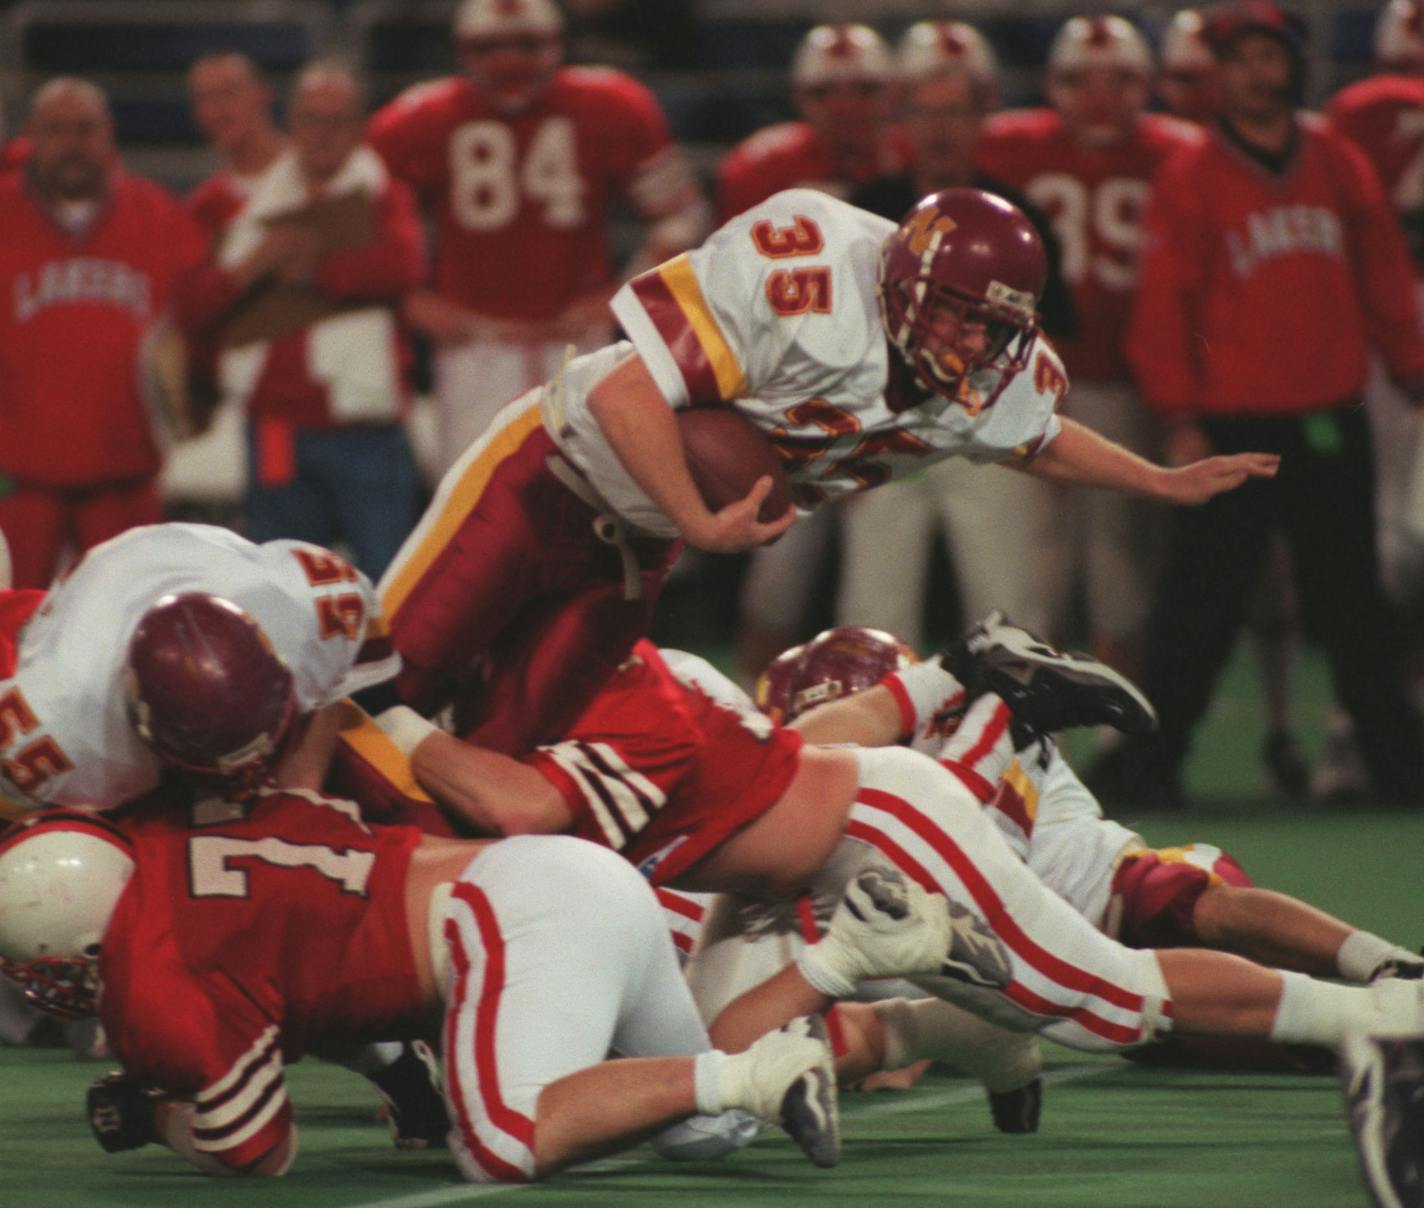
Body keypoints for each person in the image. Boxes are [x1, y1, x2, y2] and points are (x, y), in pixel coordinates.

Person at [378, 185, 1278, 758]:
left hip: (636, 546)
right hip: (547, 478)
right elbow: (623, 391)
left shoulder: (1002, 373)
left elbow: (1037, 439)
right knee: (392, 681)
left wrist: (1158, 481)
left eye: (992, 330)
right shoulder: (805, 267)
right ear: (904, 280)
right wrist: (699, 521)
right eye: (958, 317)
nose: (972, 347)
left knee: (508, 755)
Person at [0, 798, 843, 1181]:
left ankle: (753, 1074)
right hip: (571, 878)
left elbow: (257, 1148)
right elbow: (307, 989)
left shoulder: (160, 968)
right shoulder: (169, 830)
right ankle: (851, 963)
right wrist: (407, 1083)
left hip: (508, 915)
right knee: (701, 1141)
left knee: (501, 1142)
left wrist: (148, 1114)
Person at [1102, 2, 1424, 809]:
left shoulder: (1336, 159)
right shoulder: (1192, 175)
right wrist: (1178, 416)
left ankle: (1395, 764)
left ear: (1289, 63)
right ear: (1219, 71)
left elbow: (1383, 273)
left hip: (1327, 416)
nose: (1257, 72)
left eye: (1268, 55)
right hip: (1232, 425)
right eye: (1240, 58)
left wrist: (1413, 364)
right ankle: (1150, 762)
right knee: (1197, 612)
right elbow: (1163, 308)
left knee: (1355, 606)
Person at [368, 0, 709, 476]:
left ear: (559, 45)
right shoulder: (417, 119)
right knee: (475, 496)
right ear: (461, 52)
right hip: (475, 342)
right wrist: (411, 301)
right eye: (490, 48)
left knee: (600, 495)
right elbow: (360, 236)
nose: (509, 62)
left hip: (577, 339)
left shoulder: (612, 104)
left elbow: (682, 218)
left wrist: (619, 297)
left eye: (527, 46)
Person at [975, 15, 1200, 679]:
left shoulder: (1179, 151)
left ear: (1149, 85)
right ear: (1050, 85)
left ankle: (1113, 709)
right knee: (1030, 555)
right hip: (1024, 380)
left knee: (1118, 559)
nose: (1099, 98)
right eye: (1080, 81)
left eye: (1120, 81)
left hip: (1123, 381)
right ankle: (1022, 701)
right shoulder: (1006, 147)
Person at [839, 21, 1076, 649]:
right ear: (903, 121)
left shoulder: (1016, 215)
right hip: (887, 428)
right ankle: (882, 744)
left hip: (984, 428)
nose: (939, 128)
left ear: (981, 118)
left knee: (1011, 608)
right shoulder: (866, 205)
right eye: (924, 112)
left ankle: (1017, 742)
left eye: (954, 112)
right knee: (874, 616)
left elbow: (1053, 339)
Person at [174, 64, 425, 581]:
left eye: (338, 120)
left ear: (360, 127)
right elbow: (193, 306)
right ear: (291, 123)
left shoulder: (382, 193)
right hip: (277, 426)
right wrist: (255, 266)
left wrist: (312, 270)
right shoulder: (234, 207)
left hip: (367, 427)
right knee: (285, 587)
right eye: (312, 119)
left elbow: (403, 267)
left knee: (391, 585)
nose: (324, 133)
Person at [717, 21, 908, 679]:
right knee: (778, 579)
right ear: (803, 97)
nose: (848, 105)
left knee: (881, 591)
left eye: (863, 88)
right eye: (830, 91)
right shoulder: (762, 167)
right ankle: (748, 714)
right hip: (791, 398)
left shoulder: (915, 166)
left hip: (889, 403)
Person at [0, 522, 396, 812]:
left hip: (190, 561)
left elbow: (338, 684)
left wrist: (299, 798)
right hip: (86, 608)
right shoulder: (57, 724)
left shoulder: (313, 603)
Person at [0, 78, 207, 588]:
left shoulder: (158, 213)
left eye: (85, 129)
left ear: (109, 135)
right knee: (11, 626)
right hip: (18, 476)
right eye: (57, 129)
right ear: (31, 134)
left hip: (126, 470)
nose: (72, 143)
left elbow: (205, 318)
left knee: (124, 621)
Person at [1318, 0, 1424, 798]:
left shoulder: (1361, 115)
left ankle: (1363, 732)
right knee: (1387, 547)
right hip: (1391, 350)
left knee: (1390, 546)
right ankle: (1364, 729)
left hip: (1388, 346)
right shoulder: (1367, 117)